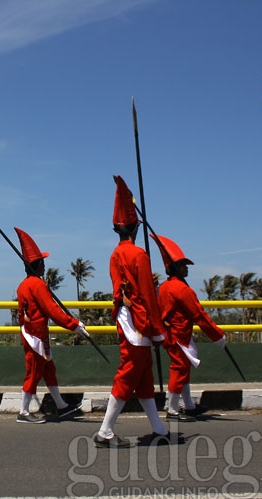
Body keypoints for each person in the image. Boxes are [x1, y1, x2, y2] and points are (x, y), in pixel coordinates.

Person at [94, 176, 169, 448]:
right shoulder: (139, 255)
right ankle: (105, 431)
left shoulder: (115, 254)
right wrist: (159, 332)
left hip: (126, 318)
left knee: (144, 374)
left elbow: (121, 291)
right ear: (136, 226)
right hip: (139, 322)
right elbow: (148, 295)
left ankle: (159, 428)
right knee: (130, 372)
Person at [13, 227, 90, 424]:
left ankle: (62, 406)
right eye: (43, 262)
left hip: (33, 333)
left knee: (48, 369)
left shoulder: (23, 285)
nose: (45, 266)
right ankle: (23, 411)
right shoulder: (38, 285)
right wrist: (74, 325)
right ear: (37, 265)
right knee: (34, 372)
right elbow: (53, 311)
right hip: (35, 336)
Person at [151, 234, 226, 422]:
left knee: (183, 369)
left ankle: (189, 406)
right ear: (176, 268)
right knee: (179, 369)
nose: (187, 269)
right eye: (184, 266)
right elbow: (199, 315)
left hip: (172, 335)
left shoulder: (164, 287)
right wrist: (217, 336)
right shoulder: (181, 289)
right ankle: (173, 410)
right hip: (178, 336)